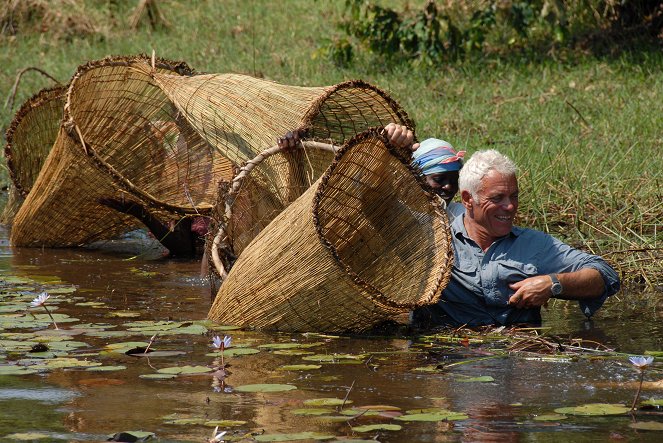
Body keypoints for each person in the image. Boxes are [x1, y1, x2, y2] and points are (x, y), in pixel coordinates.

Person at [409, 149, 621, 327]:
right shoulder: (435, 239)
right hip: (447, 361)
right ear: (467, 199)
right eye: (497, 198)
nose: (510, 206)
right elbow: (379, 206)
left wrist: (553, 284)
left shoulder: (533, 244)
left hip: (517, 354)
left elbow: (605, 275)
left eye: (514, 196)